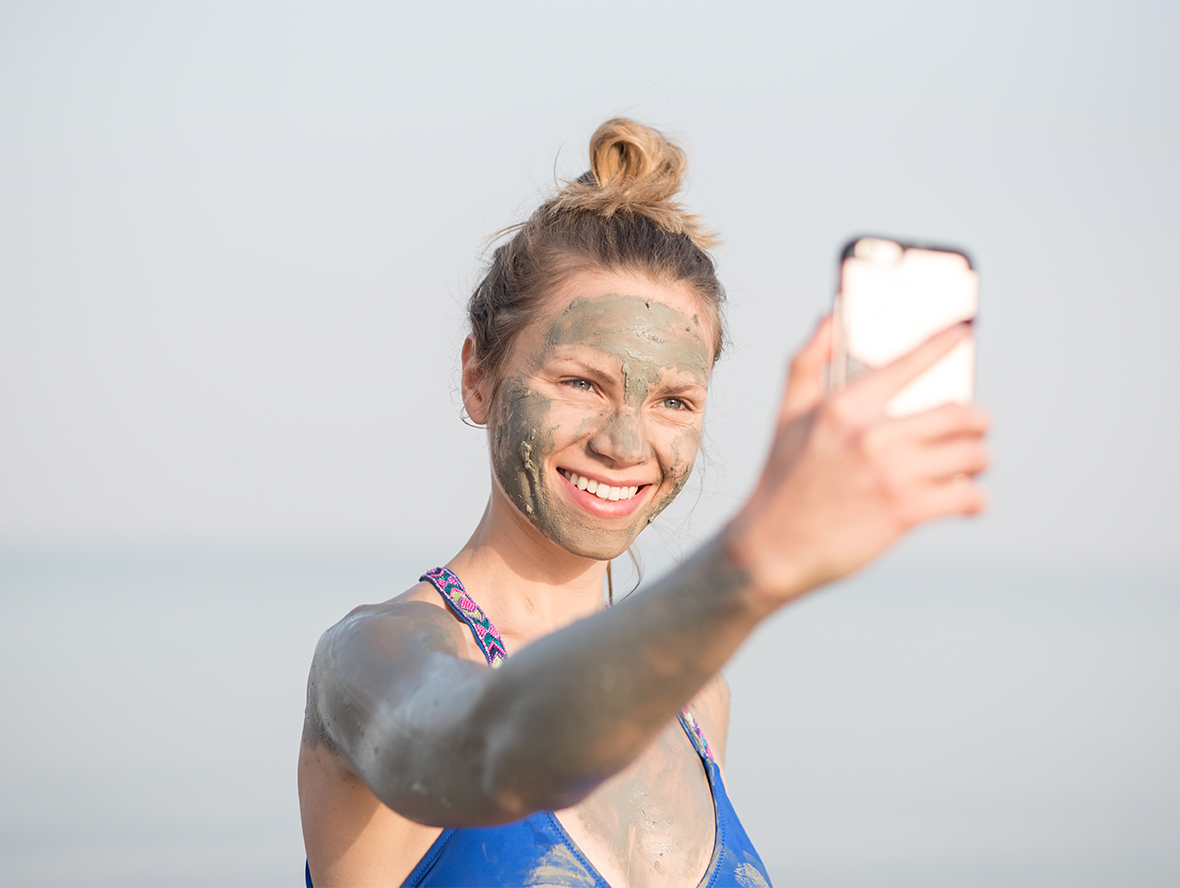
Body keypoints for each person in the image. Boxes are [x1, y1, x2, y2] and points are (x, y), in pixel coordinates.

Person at [298, 119, 989, 888]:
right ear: (478, 377)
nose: (627, 444)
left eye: (674, 401)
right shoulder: (372, 660)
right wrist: (756, 561)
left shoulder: (696, 700)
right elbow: (490, 751)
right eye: (581, 383)